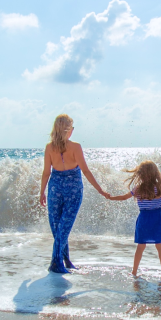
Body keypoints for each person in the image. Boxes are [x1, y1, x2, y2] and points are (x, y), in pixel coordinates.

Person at [38, 114, 108, 273]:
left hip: (55, 188)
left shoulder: (49, 147)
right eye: (72, 128)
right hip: (73, 189)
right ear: (68, 130)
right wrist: (100, 190)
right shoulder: (75, 147)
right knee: (63, 227)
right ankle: (56, 263)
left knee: (59, 227)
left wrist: (42, 192)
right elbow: (85, 170)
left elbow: (46, 173)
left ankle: (65, 260)